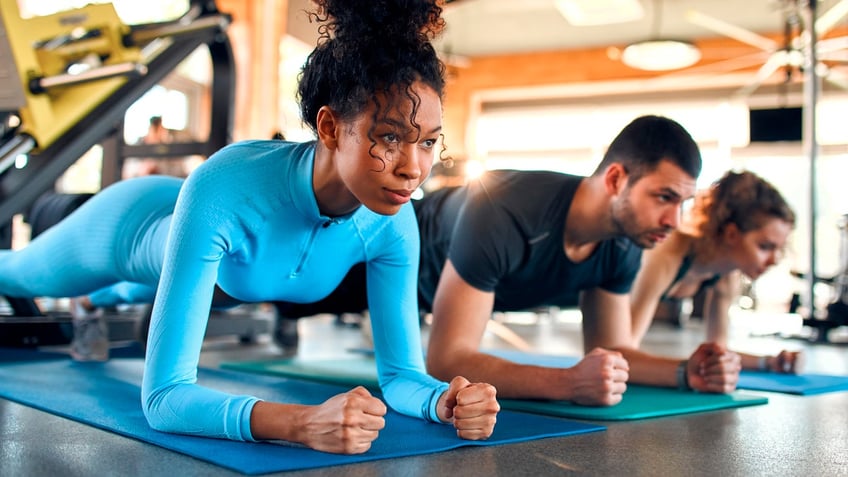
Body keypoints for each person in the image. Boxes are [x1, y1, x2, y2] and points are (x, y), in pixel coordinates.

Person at [0, 0, 498, 454]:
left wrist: (445, 401)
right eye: (390, 137)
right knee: (17, 274)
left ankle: (95, 303)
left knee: (164, 286)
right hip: (130, 225)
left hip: (218, 264)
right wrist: (301, 423)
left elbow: (402, 376)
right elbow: (164, 397)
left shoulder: (393, 222)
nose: (413, 168)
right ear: (328, 127)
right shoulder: (226, 187)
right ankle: (88, 295)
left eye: (429, 142)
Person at [275, 115, 709, 405]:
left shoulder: (626, 242)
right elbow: (447, 359)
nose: (675, 220)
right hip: (366, 255)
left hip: (415, 296)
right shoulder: (507, 208)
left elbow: (612, 350)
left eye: (683, 203)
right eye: (665, 198)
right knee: (261, 288)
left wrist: (690, 371)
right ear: (616, 179)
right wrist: (567, 383)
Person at [627, 170, 800, 387]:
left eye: (779, 249)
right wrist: (688, 372)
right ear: (731, 235)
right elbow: (623, 353)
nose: (774, 259)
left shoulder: (726, 274)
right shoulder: (667, 255)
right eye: (765, 247)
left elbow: (718, 352)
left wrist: (770, 362)